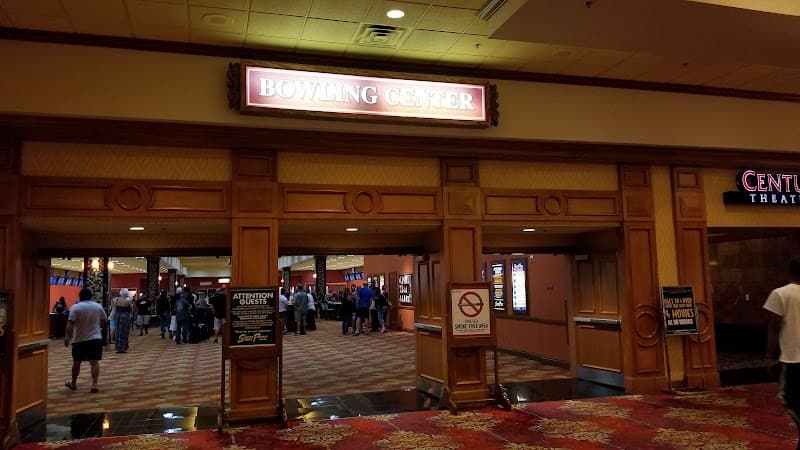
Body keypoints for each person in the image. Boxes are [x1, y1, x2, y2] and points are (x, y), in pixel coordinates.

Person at [764, 257, 800, 450]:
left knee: (791, 400)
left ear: (790, 272)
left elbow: (774, 327)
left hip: (792, 358)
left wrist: (769, 356)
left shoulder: (780, 294)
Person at [64, 288, 107, 393]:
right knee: (94, 362)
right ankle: (94, 384)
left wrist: (67, 337)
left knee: (76, 362)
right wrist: (98, 328)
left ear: (80, 296)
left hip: (79, 339)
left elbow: (70, 324)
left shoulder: (75, 307)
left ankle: (73, 383)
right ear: (90, 296)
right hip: (95, 338)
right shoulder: (98, 306)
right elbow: (104, 320)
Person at [113, 289, 133, 353]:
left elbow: (114, 307)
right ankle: (123, 347)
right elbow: (131, 310)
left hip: (117, 316)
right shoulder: (127, 301)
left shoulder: (116, 300)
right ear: (126, 294)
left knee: (118, 331)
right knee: (124, 332)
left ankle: (118, 347)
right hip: (125, 317)